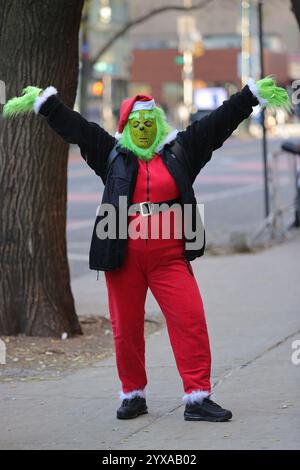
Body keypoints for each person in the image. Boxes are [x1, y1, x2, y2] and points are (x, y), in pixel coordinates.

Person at [3, 76, 290, 422]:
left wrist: (249, 96)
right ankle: (133, 394)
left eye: (148, 122)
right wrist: (48, 105)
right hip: (122, 258)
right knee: (126, 328)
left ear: (158, 124)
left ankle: (197, 397)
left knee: (190, 319)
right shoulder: (111, 154)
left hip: (169, 257)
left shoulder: (182, 150)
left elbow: (218, 123)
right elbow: (78, 129)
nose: (142, 128)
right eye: (136, 123)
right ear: (126, 127)